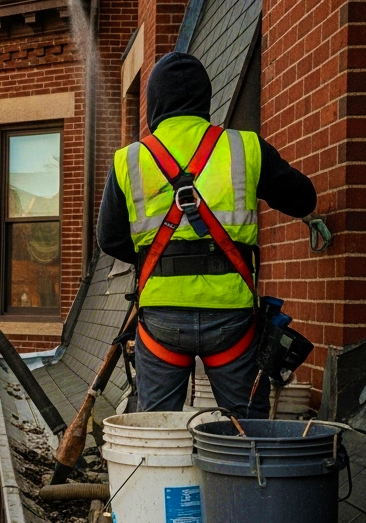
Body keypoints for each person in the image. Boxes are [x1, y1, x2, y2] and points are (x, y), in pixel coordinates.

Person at [97, 51, 316, 414]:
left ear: (154, 102)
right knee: (246, 433)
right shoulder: (244, 148)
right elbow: (302, 197)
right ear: (204, 99)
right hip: (231, 319)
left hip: (162, 319)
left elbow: (110, 239)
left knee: (158, 433)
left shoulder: (129, 160)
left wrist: (159, 256)